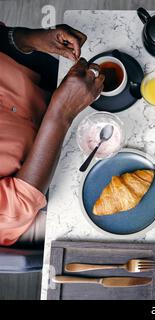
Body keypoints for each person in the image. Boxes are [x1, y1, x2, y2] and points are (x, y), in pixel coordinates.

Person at [0, 23, 105, 246]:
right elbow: (18, 204)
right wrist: (61, 112)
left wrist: (26, 39)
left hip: (33, 79)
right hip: (45, 183)